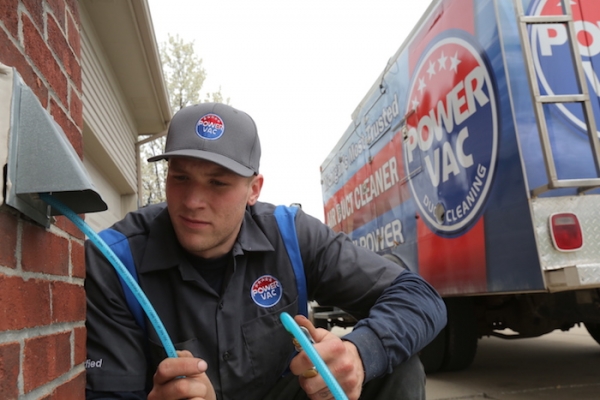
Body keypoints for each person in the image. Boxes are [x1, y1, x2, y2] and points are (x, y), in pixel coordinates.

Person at [84, 103, 447, 400]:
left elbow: (420, 297)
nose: (193, 202)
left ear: (254, 189)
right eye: (180, 178)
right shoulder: (115, 262)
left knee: (397, 363)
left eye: (217, 183)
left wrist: (361, 352)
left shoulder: (291, 234)